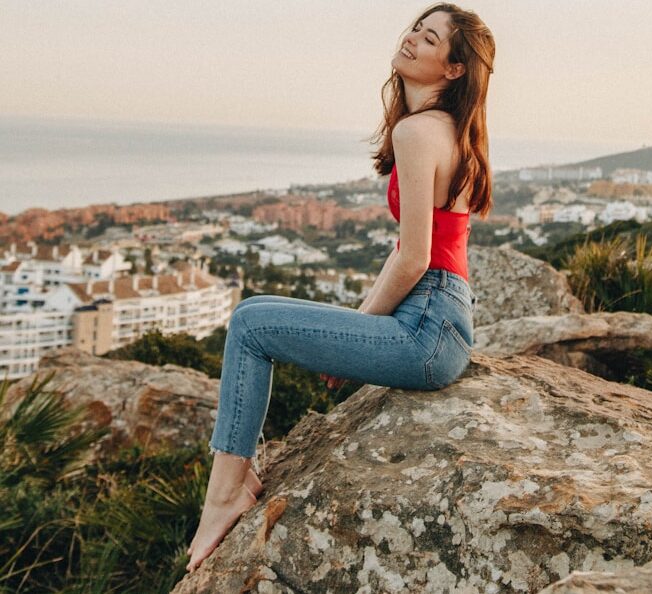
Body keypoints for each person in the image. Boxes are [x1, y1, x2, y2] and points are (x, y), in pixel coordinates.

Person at [186, 2, 495, 573]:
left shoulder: (417, 131)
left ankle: (227, 490)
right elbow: (405, 252)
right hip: (441, 318)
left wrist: (365, 333)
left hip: (425, 327)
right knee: (253, 315)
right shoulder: (450, 129)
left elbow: (415, 259)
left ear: (454, 69)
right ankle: (233, 479)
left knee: (251, 325)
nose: (411, 41)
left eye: (430, 40)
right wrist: (359, 325)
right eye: (415, 30)